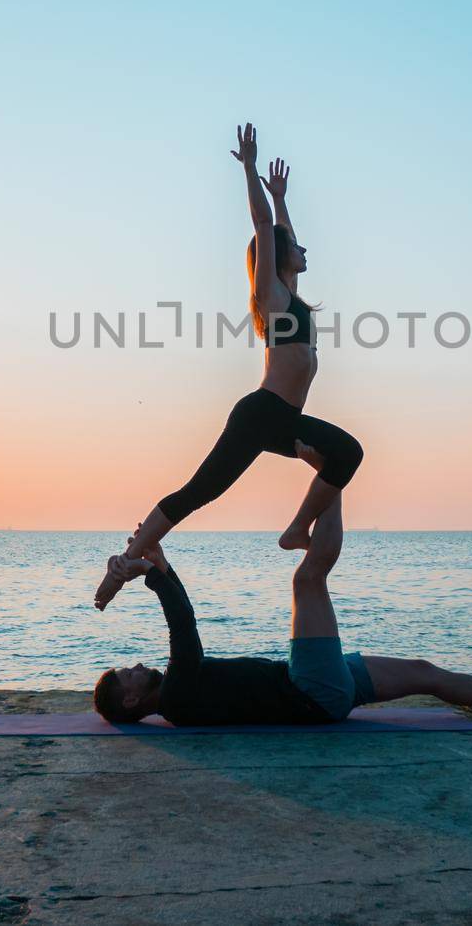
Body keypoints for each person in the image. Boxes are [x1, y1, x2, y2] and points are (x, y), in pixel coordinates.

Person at [93, 448, 472, 725]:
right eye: (128, 674)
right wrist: (153, 575)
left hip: (317, 687)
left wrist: (158, 561)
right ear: (132, 701)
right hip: (309, 689)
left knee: (424, 671)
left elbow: (183, 621)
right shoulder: (177, 699)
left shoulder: (180, 696)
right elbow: (184, 626)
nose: (137, 666)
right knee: (308, 579)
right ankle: (333, 474)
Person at [94, 122, 364, 611]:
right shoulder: (274, 296)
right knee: (197, 493)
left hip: (280, 420)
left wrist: (282, 198)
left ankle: (296, 529)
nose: (306, 250)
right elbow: (266, 231)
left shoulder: (292, 297)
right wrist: (250, 169)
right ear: (279, 259)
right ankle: (125, 563)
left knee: (344, 456)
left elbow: (281, 234)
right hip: (263, 414)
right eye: (297, 248)